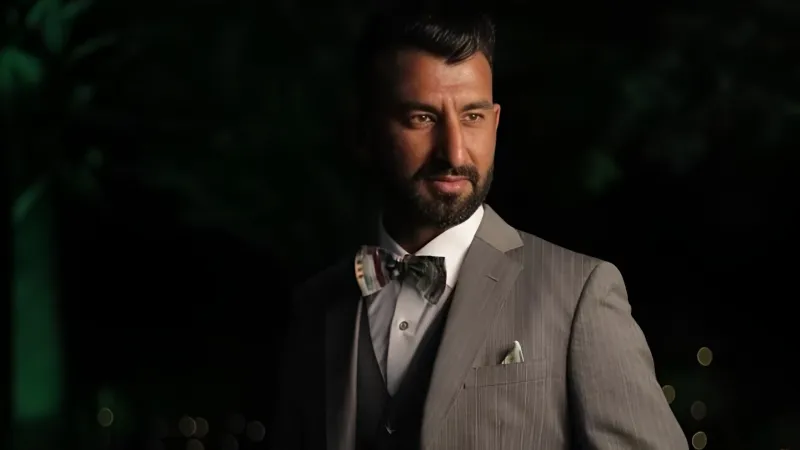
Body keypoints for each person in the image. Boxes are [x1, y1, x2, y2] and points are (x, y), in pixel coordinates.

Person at [269, 7, 687, 450]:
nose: (454, 152)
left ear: (495, 122)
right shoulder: (317, 307)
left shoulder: (579, 295)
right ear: (364, 134)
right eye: (422, 118)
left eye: (472, 117)